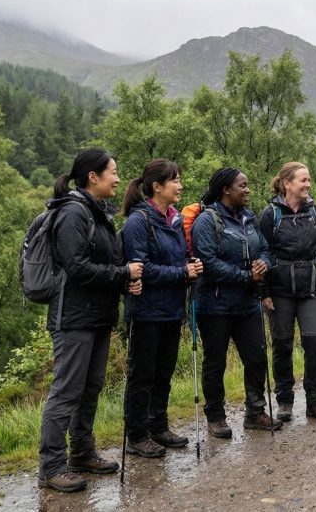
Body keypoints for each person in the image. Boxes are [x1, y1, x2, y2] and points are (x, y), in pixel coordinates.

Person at [38, 148, 143, 493]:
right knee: (67, 392)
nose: (117, 178)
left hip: (97, 316)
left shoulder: (98, 213)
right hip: (73, 318)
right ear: (92, 177)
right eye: (112, 172)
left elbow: (105, 264)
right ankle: (51, 467)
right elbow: (77, 267)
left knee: (90, 388)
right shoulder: (73, 212)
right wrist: (122, 272)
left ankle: (82, 452)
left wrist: (125, 278)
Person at [119, 159, 203, 458]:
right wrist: (182, 273)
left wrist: (190, 264)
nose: (180, 186)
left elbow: (177, 259)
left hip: (171, 309)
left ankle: (159, 426)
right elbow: (141, 268)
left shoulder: (175, 219)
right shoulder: (138, 221)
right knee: (142, 375)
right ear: (157, 186)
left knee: (164, 372)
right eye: (175, 181)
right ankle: (137, 435)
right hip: (145, 311)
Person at [191, 167, 279, 438]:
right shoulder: (207, 221)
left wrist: (263, 263)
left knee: (256, 357)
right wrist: (246, 276)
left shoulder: (249, 219)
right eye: (243, 185)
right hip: (215, 306)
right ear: (226, 190)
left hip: (247, 304)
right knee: (215, 362)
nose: (248, 189)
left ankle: (255, 412)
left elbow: (265, 249)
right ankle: (216, 417)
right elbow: (208, 264)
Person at [258, 162, 316, 422]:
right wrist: (264, 291)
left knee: (315, 345)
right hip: (279, 291)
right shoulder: (270, 214)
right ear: (287, 184)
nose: (308, 185)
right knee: (282, 346)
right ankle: (284, 402)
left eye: (308, 180)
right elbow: (262, 253)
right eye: (303, 180)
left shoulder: (315, 212)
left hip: (311, 289)